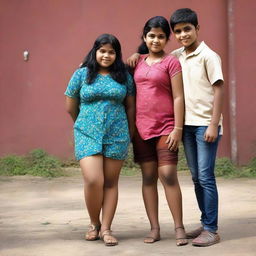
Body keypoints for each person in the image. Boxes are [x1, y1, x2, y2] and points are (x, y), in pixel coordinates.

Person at [127, 8, 224, 247]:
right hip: (185, 124)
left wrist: (213, 123)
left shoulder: (208, 56)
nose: (182, 35)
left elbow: (218, 89)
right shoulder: (177, 55)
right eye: (178, 31)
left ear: (197, 29)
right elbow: (149, 54)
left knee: (204, 176)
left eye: (187, 29)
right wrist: (134, 54)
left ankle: (211, 228)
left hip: (203, 124)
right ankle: (205, 222)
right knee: (196, 176)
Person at [65, 33, 135, 246]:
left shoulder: (124, 77)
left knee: (111, 183)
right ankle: (94, 223)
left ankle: (106, 228)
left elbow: (130, 107)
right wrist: (84, 123)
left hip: (117, 134)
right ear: (95, 52)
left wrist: (129, 134)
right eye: (102, 51)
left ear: (117, 54)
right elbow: (70, 105)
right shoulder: (81, 74)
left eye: (111, 52)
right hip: (87, 133)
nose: (106, 55)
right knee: (94, 180)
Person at [132, 16, 188, 246]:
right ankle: (154, 228)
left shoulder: (171, 62)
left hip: (166, 127)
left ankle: (179, 227)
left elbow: (178, 96)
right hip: (141, 129)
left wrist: (178, 128)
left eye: (161, 36)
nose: (156, 40)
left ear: (167, 38)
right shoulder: (136, 61)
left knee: (167, 175)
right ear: (145, 37)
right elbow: (107, 65)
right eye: (152, 35)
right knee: (148, 177)